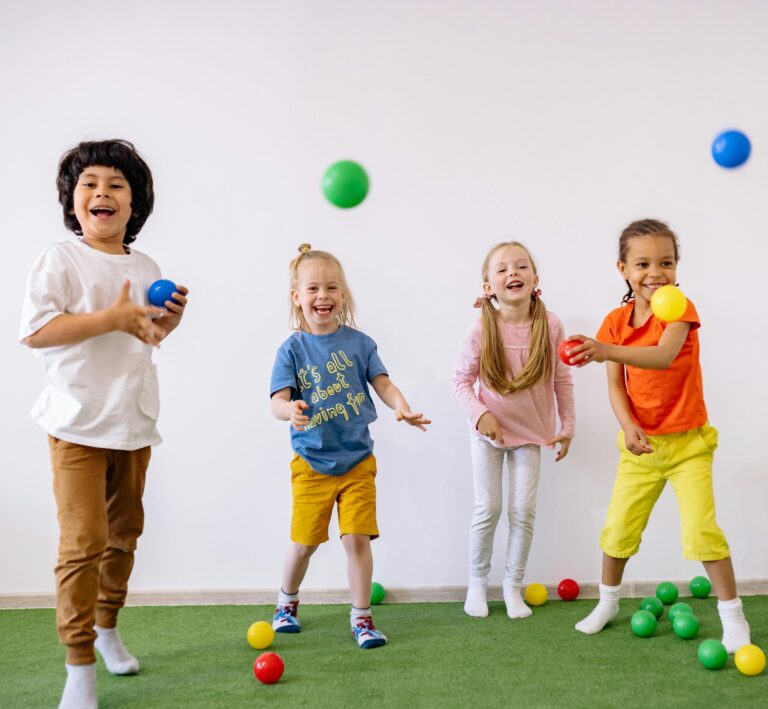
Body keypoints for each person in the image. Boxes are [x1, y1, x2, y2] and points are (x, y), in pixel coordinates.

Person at [19, 140, 189, 709]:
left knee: (123, 536)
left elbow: (145, 338)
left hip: (132, 422)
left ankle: (106, 627)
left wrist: (164, 326)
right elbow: (37, 331)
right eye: (89, 183)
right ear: (73, 200)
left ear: (135, 204)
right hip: (76, 425)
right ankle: (79, 665)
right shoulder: (60, 260)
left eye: (117, 185)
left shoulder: (146, 268)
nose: (102, 193)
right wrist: (109, 317)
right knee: (82, 543)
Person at [566, 218, 751, 652]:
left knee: (702, 530)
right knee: (618, 528)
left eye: (666, 263)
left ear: (676, 267)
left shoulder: (680, 309)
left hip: (689, 445)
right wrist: (628, 426)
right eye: (643, 264)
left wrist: (604, 349)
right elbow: (616, 386)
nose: (656, 273)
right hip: (642, 446)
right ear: (623, 269)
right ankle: (607, 602)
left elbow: (663, 356)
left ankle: (733, 615)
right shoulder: (615, 321)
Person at [269, 244, 429, 649]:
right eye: (313, 288)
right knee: (304, 544)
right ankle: (286, 603)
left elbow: (383, 383)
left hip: (358, 462)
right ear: (297, 297)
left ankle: (362, 618)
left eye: (332, 287)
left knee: (356, 539)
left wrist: (401, 405)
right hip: (311, 463)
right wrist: (290, 411)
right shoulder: (292, 349)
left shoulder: (361, 344)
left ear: (343, 295)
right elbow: (276, 402)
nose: (323, 296)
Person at [452, 241, 575, 619]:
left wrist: (567, 426)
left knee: (523, 511)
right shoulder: (482, 327)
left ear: (535, 279)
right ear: (487, 286)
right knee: (488, 508)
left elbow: (562, 378)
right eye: (502, 269)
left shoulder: (550, 324)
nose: (513, 273)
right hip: (488, 434)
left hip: (530, 434)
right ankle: (477, 584)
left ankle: (512, 586)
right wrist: (481, 415)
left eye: (521, 267)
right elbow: (461, 381)